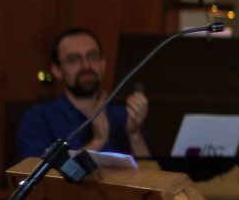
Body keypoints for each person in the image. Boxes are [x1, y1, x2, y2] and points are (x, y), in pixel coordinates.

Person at [17, 27, 150, 159]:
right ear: (57, 70)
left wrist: (134, 134)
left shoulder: (124, 116)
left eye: (92, 57)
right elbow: (38, 172)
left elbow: (152, 172)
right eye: (74, 59)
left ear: (103, 64)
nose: (86, 65)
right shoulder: (38, 119)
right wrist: (97, 142)